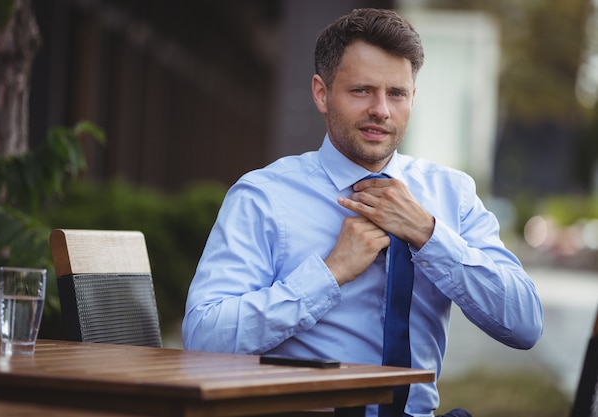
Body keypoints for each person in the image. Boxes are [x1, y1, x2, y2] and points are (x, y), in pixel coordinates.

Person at [182, 8, 543, 417]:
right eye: (361, 91)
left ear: (413, 98)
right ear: (321, 92)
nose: (381, 110)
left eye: (396, 94)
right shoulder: (263, 197)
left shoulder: (452, 194)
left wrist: (429, 235)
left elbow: (525, 325)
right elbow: (202, 338)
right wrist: (328, 274)